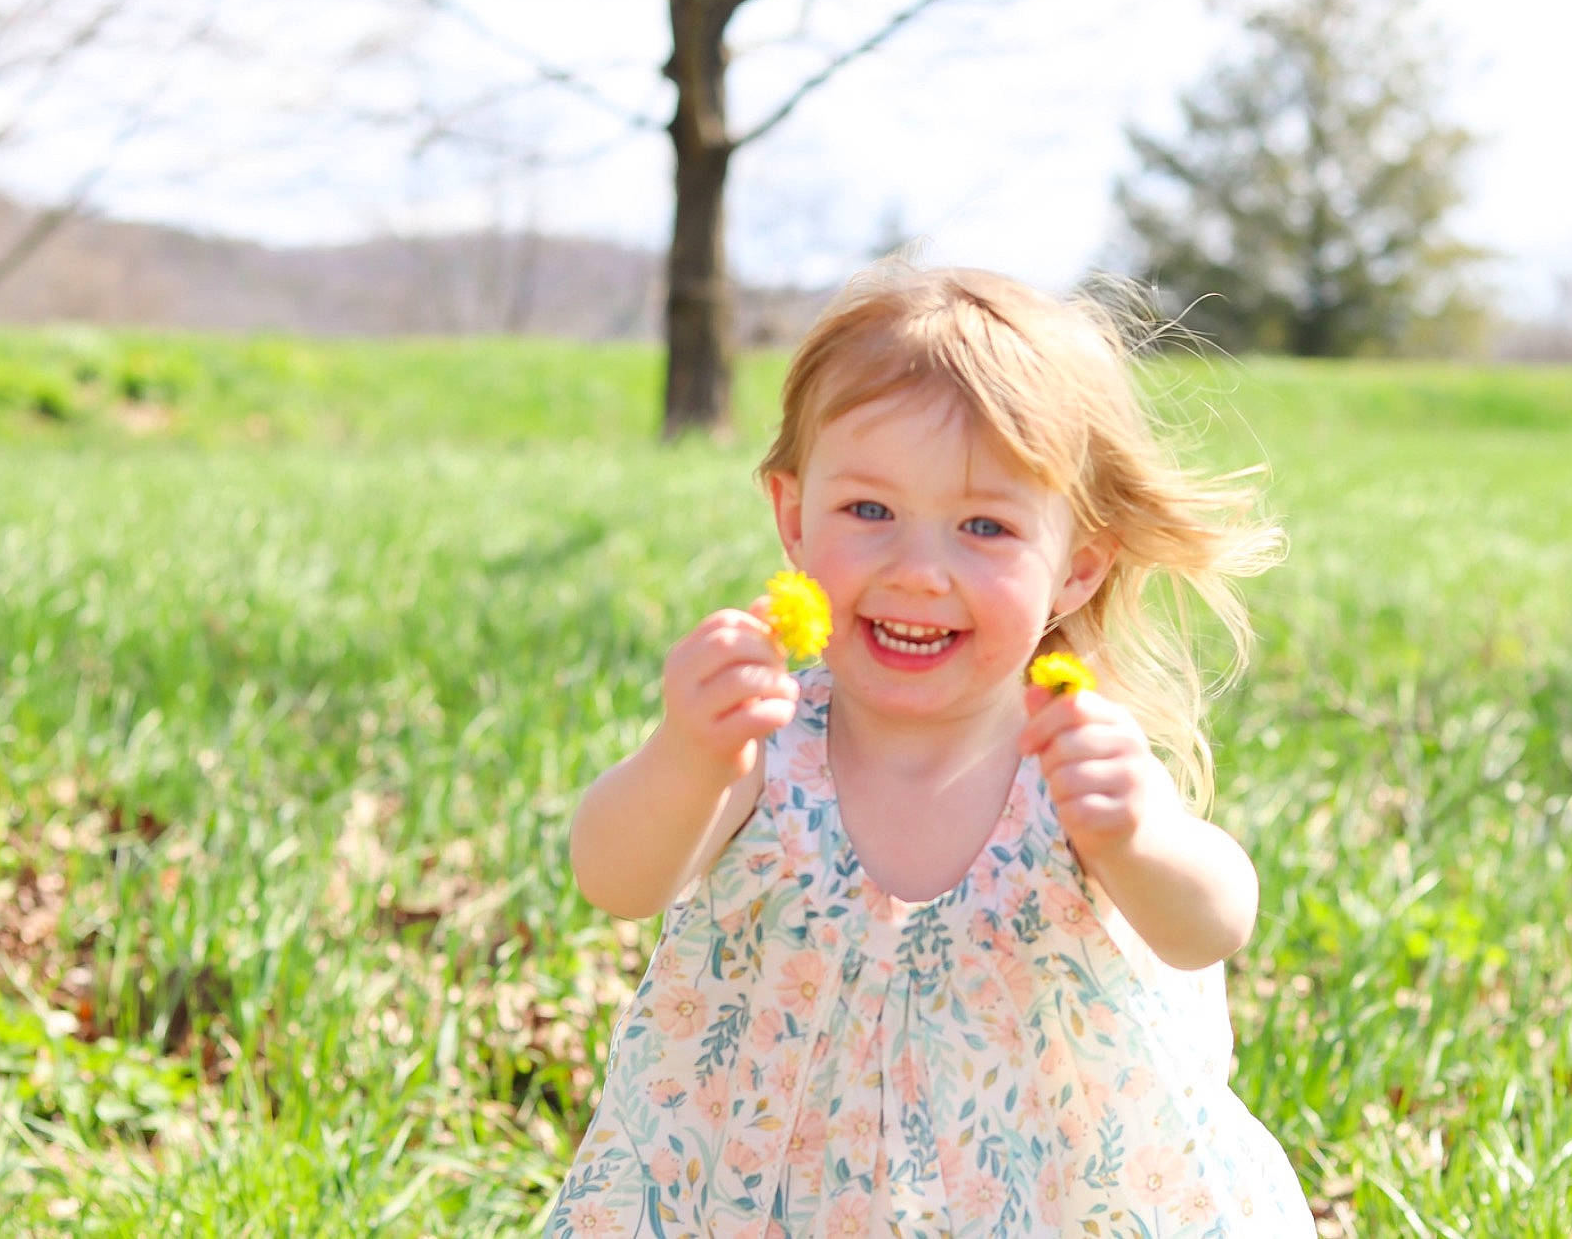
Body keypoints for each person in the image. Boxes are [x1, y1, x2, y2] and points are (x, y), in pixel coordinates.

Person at [547, 265, 1316, 1236]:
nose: (917, 572)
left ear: (1075, 567)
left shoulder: (1071, 755)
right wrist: (683, 758)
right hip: (767, 1196)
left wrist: (1138, 837)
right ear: (792, 518)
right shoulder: (765, 743)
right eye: (867, 512)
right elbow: (614, 879)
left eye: (984, 528)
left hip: (1042, 1200)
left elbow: (1208, 925)